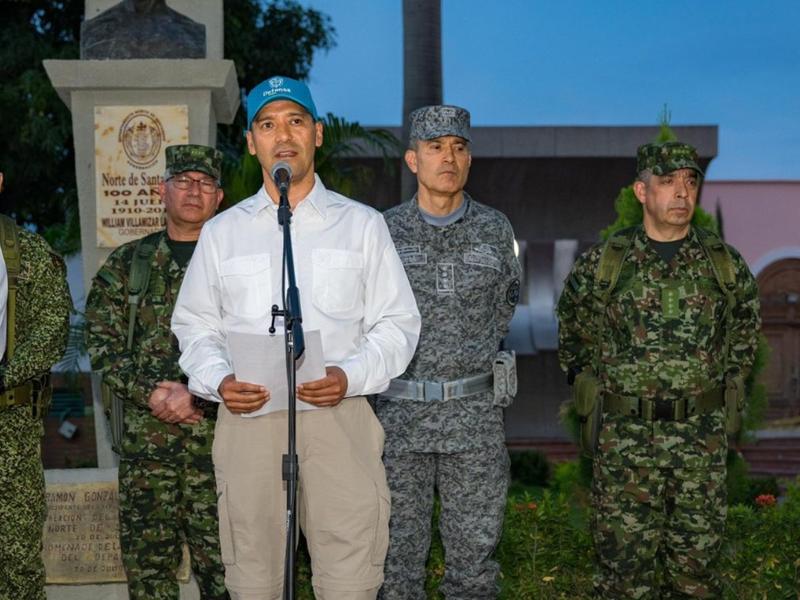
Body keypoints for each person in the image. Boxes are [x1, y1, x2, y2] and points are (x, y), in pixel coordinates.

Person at [171, 75, 421, 600]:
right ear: (251, 142)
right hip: (249, 418)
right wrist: (219, 380)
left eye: (295, 121)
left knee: (351, 577)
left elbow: (398, 323)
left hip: (339, 414)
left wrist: (351, 375)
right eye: (267, 124)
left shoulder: (362, 225)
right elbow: (194, 325)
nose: (282, 135)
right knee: (254, 576)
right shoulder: (223, 232)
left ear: (318, 134)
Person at [556, 141, 761, 598]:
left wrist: (727, 385)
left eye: (690, 181)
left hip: (699, 444)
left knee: (696, 578)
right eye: (667, 182)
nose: (682, 193)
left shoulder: (722, 264)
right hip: (624, 443)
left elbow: (745, 331)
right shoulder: (604, 265)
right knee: (623, 579)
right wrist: (593, 389)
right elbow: (573, 332)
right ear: (642, 191)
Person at [375, 105, 521, 599]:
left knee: (475, 565)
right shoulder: (383, 232)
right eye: (435, 147)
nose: (449, 158)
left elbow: (506, 305)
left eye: (459, 147)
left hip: (474, 418)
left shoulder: (495, 230)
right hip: (398, 418)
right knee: (394, 564)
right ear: (412, 159)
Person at [85, 145, 228, 599]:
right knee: (148, 584)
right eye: (183, 181)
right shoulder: (128, 265)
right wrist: (151, 393)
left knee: (232, 581)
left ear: (219, 197)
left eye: (204, 184)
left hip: (221, 455)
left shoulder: (241, 265)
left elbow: (261, 345)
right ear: (160, 190)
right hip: (148, 458)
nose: (193, 191)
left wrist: (198, 396)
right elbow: (100, 343)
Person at [0, 170, 72, 599]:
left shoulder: (25, 252)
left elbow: (53, 325)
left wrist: (6, 374)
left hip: (10, 425)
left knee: (17, 556)